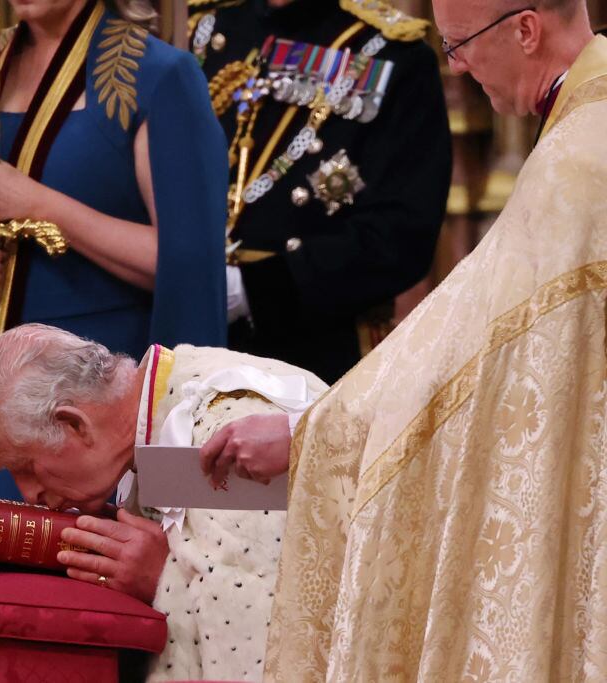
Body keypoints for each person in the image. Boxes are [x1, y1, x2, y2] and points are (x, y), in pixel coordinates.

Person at [203, 0, 607, 677]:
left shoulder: (576, 163)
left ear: (526, 30)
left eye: (459, 44)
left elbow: (463, 349)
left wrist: (309, 434)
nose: (457, 67)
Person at [0, 0, 228, 675]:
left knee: (66, 637)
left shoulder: (159, 76)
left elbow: (187, 263)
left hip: (79, 430)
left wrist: (39, 205)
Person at [0, 323, 327, 680]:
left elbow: (290, 633)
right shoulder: (158, 413)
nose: (29, 495)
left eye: (25, 467)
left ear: (74, 424)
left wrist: (161, 579)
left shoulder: (225, 430)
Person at [190, 0, 452, 383]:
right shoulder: (205, 27)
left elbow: (399, 237)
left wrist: (252, 290)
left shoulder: (392, 54)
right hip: (184, 339)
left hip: (316, 358)